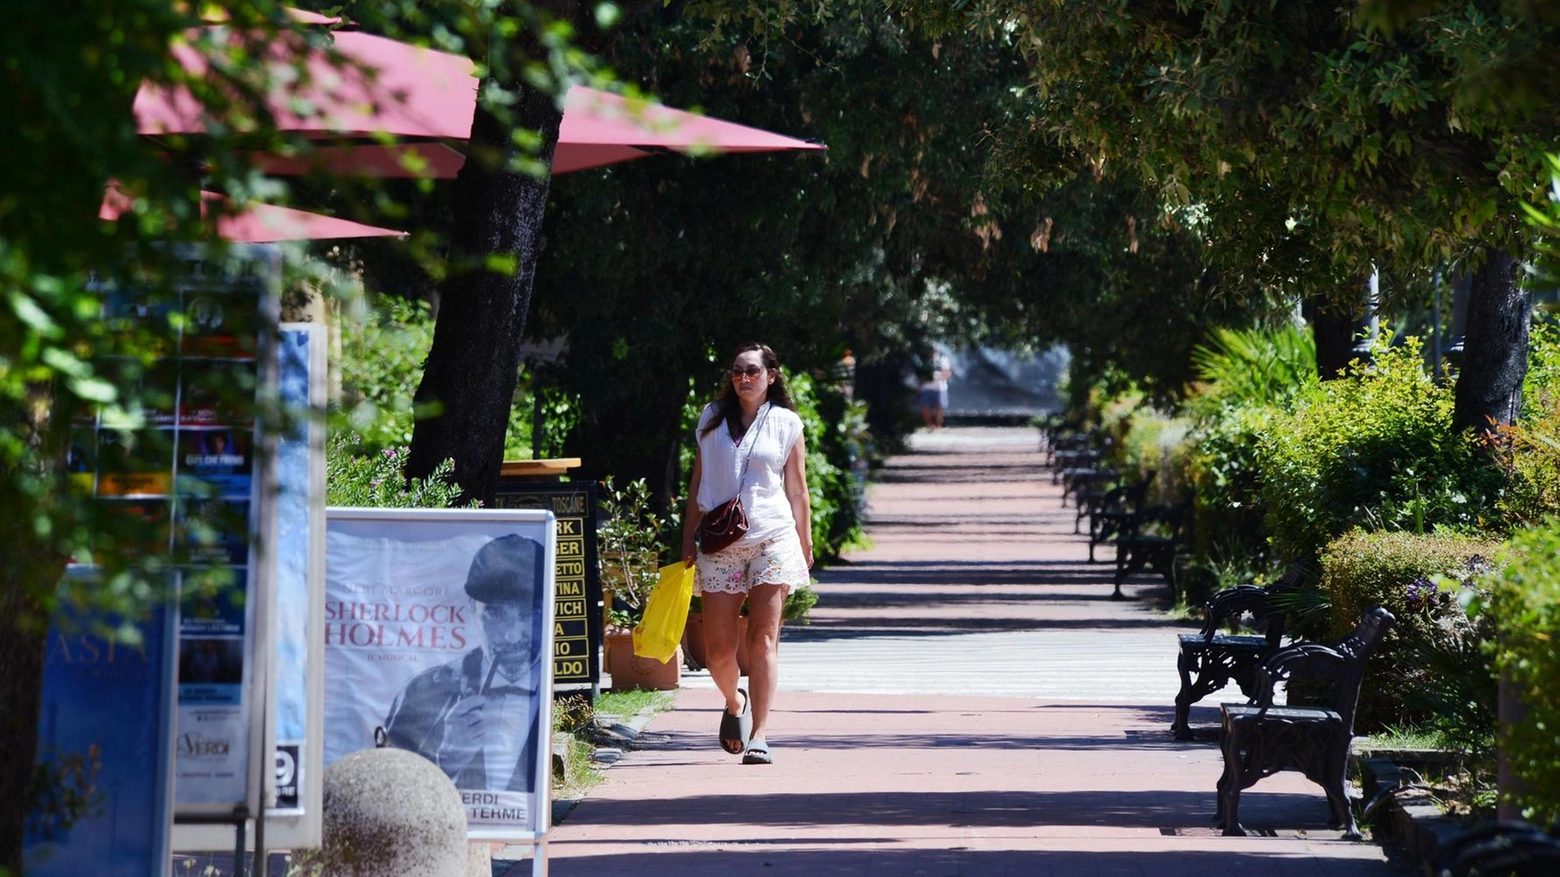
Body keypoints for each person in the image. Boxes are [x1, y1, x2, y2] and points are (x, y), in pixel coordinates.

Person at [681, 343, 813, 766]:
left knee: (762, 638)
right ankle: (733, 702)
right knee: (718, 653)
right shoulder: (711, 418)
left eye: (753, 371)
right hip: (720, 541)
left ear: (771, 376)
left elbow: (796, 488)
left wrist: (804, 541)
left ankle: (760, 733)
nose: (744, 378)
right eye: (737, 372)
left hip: (772, 536)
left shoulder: (787, 423)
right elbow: (697, 485)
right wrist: (687, 538)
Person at [382, 534, 544, 793]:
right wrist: (445, 761)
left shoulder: (556, 694)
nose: (513, 635)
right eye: (495, 614)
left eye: (530, 613)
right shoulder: (422, 693)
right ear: (472, 608)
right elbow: (385, 794)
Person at [919, 351, 953, 430]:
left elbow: (947, 372)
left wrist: (939, 377)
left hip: (940, 387)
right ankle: (929, 425)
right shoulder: (922, 360)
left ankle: (938, 426)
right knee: (925, 406)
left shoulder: (943, 359)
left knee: (940, 407)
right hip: (926, 387)